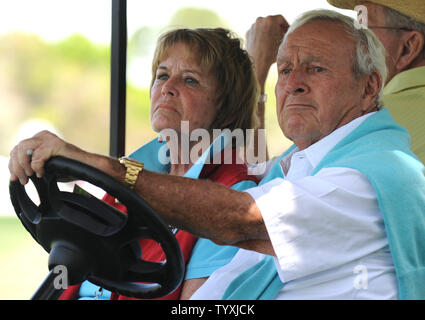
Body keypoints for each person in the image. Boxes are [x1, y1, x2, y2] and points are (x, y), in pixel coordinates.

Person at [9, 10, 425, 299]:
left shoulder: (368, 175)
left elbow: (238, 219)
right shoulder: (297, 168)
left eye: (316, 69)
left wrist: (107, 168)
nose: (293, 83)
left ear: (370, 87)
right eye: (284, 70)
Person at [27, 27, 261, 300]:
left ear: (227, 107)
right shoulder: (130, 176)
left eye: (190, 80)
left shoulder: (234, 193)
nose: (167, 88)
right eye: (162, 76)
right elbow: (71, 268)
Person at [247, 1, 425, 164]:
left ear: (409, 46)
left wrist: (256, 68)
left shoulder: (378, 113)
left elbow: (255, 184)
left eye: (363, 27)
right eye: (286, 71)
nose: (355, 35)